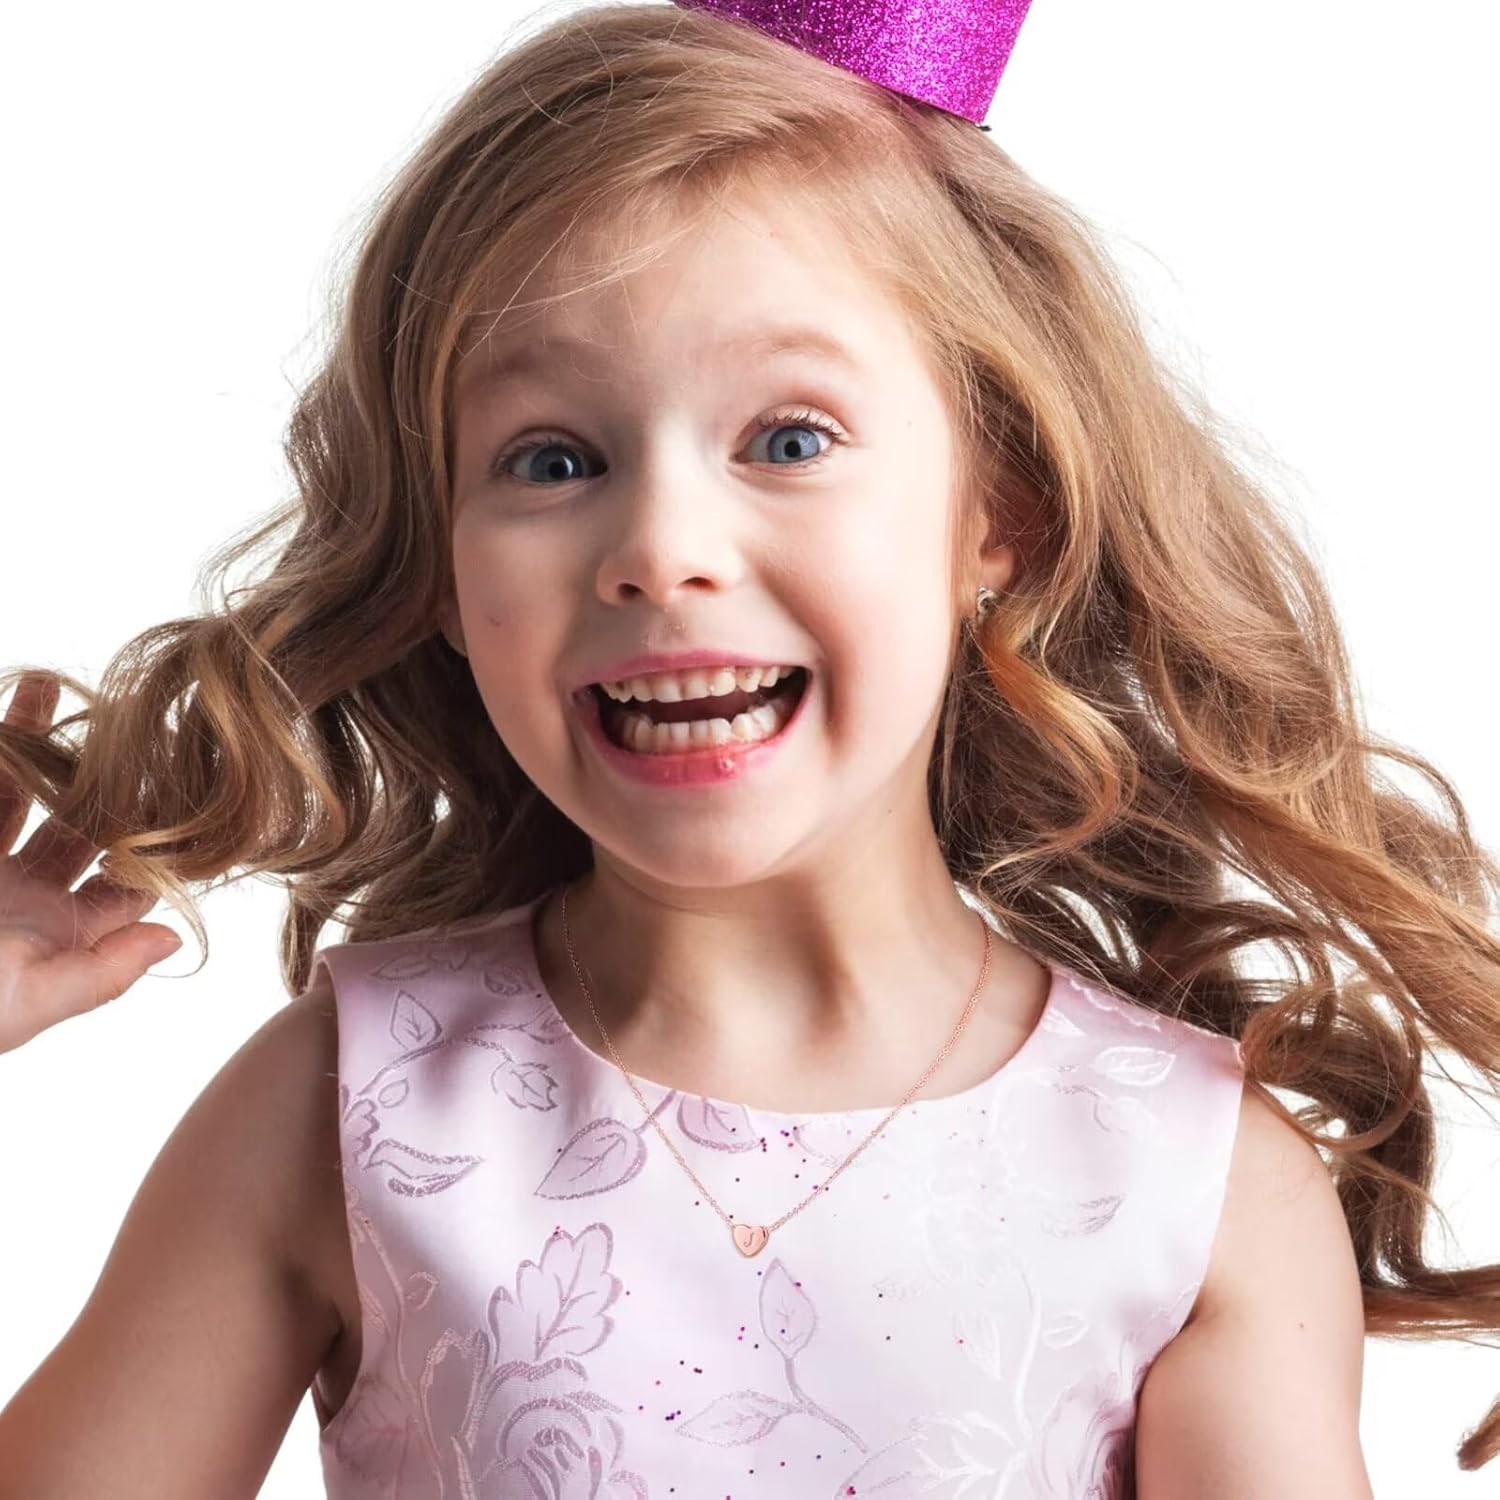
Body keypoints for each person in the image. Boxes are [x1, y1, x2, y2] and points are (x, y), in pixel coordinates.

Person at [0, 0, 1496, 1495]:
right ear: (440, 567)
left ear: (1001, 509)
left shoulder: (1195, 1185)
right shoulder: (339, 1110)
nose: (660, 550)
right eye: (553, 459)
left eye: (789, 439)